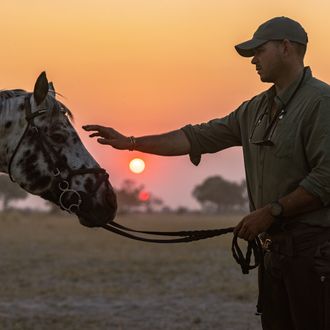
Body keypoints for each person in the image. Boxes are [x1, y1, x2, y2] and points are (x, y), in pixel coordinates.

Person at [83, 16, 330, 330]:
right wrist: (131, 142)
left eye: (259, 50)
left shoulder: (321, 103)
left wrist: (273, 211)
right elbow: (196, 137)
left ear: (286, 48)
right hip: (273, 252)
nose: (253, 59)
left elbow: (326, 178)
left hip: (314, 254)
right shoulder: (254, 109)